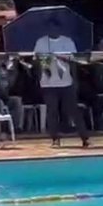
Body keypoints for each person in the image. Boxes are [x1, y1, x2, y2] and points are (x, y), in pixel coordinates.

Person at [35, 17, 87, 148]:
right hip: (48, 84)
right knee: (52, 111)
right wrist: (40, 77)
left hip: (66, 82)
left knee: (73, 110)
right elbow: (37, 62)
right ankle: (55, 138)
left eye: (55, 27)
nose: (52, 30)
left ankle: (84, 137)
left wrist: (75, 80)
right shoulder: (41, 42)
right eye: (49, 27)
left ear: (59, 28)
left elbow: (73, 63)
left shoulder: (67, 42)